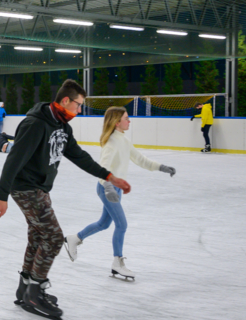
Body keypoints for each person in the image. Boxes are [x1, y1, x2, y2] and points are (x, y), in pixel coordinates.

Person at [0, 79, 131, 320]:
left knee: (38, 235)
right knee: (54, 238)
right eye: (78, 106)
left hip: (39, 188)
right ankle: (36, 292)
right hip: (25, 187)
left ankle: (25, 287)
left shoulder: (63, 127)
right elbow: (13, 160)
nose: (79, 111)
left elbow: (79, 156)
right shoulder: (35, 124)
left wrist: (108, 176)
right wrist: (2, 195)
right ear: (65, 101)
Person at [64, 107, 176, 281]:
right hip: (106, 188)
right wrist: (108, 188)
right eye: (126, 118)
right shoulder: (111, 143)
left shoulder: (123, 140)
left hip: (114, 189)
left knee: (103, 223)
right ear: (117, 122)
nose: (129, 121)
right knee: (121, 225)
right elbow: (103, 169)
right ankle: (117, 263)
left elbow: (141, 159)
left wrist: (161, 167)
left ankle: (75, 238)